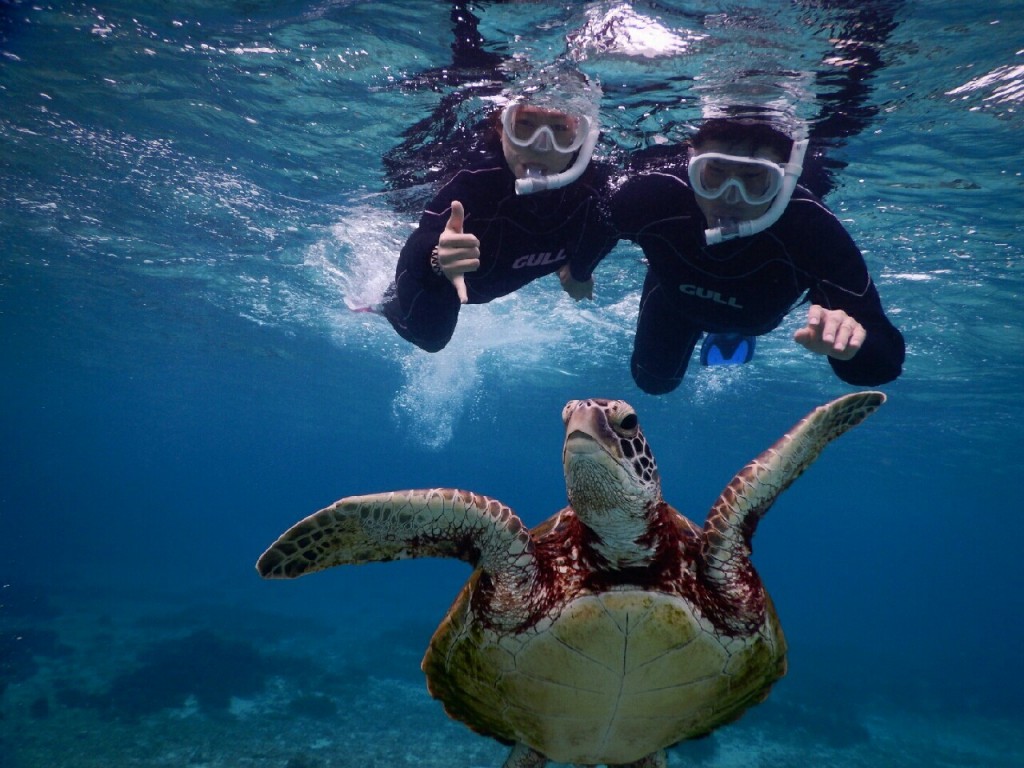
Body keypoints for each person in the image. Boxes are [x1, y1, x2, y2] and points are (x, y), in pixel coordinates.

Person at [609, 114, 905, 394]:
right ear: (691, 165)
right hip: (675, 305)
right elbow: (595, 221)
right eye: (714, 173)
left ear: (785, 179)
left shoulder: (811, 228)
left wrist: (856, 344)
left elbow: (885, 363)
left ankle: (732, 333)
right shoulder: (655, 196)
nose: (730, 195)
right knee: (654, 382)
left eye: (754, 178)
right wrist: (580, 267)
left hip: (754, 318)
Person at [378, 64, 615, 352]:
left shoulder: (598, 191)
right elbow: (422, 240)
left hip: (488, 281)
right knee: (431, 338)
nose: (540, 146)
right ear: (502, 129)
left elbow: (616, 226)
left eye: (559, 129)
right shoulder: (474, 185)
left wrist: (580, 270)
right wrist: (437, 257)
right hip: (449, 284)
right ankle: (385, 302)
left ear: (581, 140)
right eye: (524, 125)